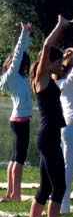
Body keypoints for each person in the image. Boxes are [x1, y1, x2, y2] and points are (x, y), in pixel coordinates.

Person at [22, 15, 73, 217]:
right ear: (48, 63)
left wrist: (64, 37)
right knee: (59, 186)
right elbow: (46, 46)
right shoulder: (41, 78)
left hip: (48, 136)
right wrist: (59, 25)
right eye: (58, 62)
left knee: (45, 187)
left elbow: (54, 53)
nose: (61, 66)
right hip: (48, 136)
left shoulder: (46, 78)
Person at [0, 22, 32, 201]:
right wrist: (24, 33)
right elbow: (19, 52)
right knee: (19, 159)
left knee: (14, 158)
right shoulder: (12, 75)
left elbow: (20, 54)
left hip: (17, 119)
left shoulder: (16, 78)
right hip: (21, 120)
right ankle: (16, 195)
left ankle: (10, 193)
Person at [54, 47, 73, 214]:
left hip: (67, 127)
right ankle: (63, 207)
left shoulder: (58, 83)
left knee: (64, 168)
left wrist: (67, 55)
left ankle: (60, 204)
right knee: (68, 169)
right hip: (71, 127)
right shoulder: (67, 83)